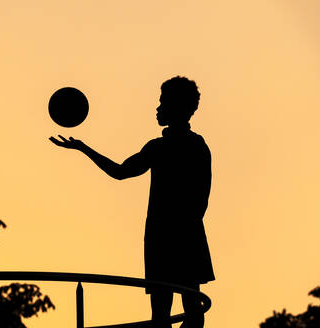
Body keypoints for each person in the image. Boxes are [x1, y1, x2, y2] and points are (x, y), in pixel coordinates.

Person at [49, 76, 214, 328]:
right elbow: (201, 198)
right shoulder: (182, 146)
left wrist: (84, 149)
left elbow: (120, 172)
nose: (157, 108)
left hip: (170, 236)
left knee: (172, 311)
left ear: (177, 107)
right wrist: (84, 148)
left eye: (162, 103)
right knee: (180, 310)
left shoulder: (170, 147)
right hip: (179, 235)